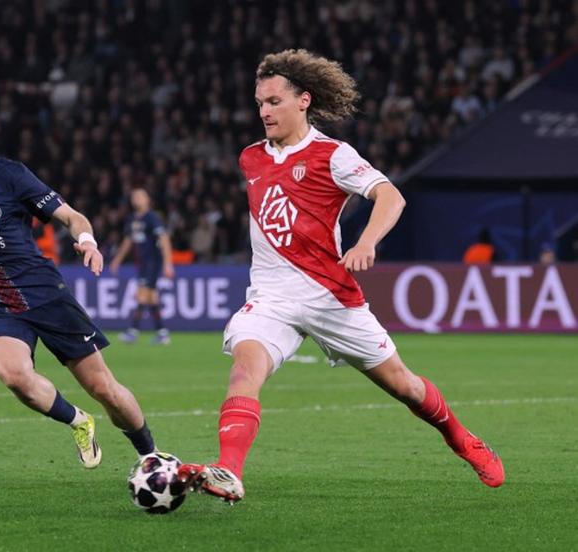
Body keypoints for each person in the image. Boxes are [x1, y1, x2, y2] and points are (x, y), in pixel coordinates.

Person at [178, 49, 505, 502]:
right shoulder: (251, 157)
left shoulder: (331, 155)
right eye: (259, 103)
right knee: (244, 372)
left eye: (273, 101)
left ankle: (460, 437)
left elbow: (390, 197)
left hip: (330, 296)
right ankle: (229, 472)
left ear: (303, 101)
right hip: (271, 297)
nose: (264, 111)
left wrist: (366, 242)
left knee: (404, 386)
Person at [0, 104, 157, 468]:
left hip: (43, 293)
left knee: (105, 389)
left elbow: (70, 215)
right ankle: (78, 421)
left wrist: (87, 240)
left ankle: (152, 455)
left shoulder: (11, 177)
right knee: (14, 375)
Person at [108, 188, 175, 345]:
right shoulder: (132, 219)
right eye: (134, 197)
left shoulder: (152, 218)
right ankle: (162, 333)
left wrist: (168, 264)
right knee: (151, 297)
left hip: (153, 262)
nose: (136, 199)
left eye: (140, 196)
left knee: (142, 294)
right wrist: (117, 260)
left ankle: (133, 331)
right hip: (142, 263)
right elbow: (128, 240)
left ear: (147, 200)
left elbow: (164, 239)